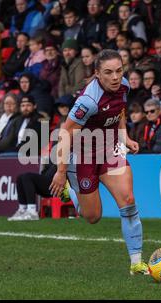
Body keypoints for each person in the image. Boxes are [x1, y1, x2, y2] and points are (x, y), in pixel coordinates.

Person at [50, 49, 150, 276]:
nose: (115, 77)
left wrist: (125, 138)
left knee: (129, 201)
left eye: (118, 71)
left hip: (111, 150)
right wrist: (61, 171)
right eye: (108, 73)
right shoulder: (88, 101)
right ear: (97, 74)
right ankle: (72, 193)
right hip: (84, 157)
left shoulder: (123, 86)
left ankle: (136, 262)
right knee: (93, 217)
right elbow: (66, 133)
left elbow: (119, 112)